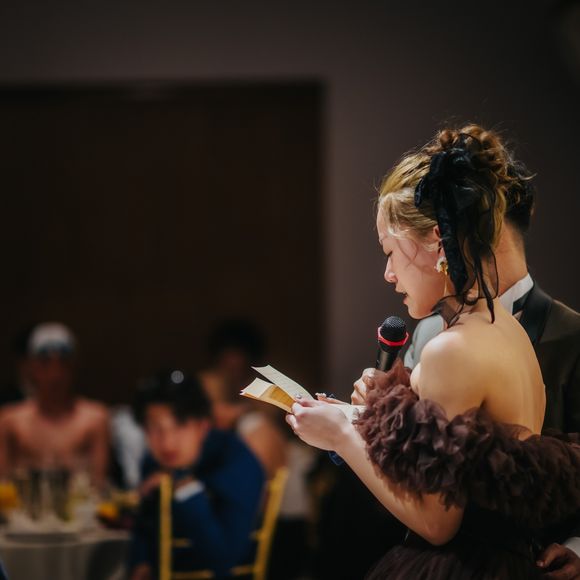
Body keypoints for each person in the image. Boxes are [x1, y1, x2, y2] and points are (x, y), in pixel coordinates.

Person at [287, 125, 580, 578]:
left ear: (437, 246)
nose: (388, 274)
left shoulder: (452, 349)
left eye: (390, 251)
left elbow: (437, 523)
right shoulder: (506, 329)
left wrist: (341, 435)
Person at [129, 369, 264, 580]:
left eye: (180, 425)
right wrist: (140, 562)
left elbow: (225, 559)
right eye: (155, 428)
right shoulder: (153, 461)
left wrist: (183, 487)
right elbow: (144, 527)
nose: (167, 442)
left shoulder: (235, 461)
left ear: (203, 426)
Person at [0, 322, 109, 488]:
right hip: (24, 503)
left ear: (73, 366)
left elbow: (98, 483)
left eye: (62, 363)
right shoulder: (11, 420)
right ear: (32, 367)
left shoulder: (94, 418)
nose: (55, 373)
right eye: (45, 363)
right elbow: (3, 483)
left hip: (78, 502)